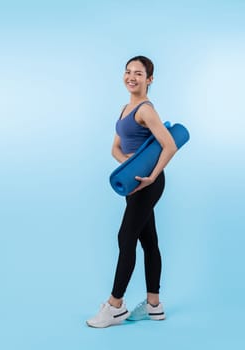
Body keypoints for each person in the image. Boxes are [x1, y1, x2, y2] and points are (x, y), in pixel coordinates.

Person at [86, 56, 178, 328]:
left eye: (138, 73)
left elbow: (169, 145)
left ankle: (115, 305)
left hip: (148, 185)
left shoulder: (146, 110)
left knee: (126, 237)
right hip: (133, 182)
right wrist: (129, 170)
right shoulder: (126, 108)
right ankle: (154, 306)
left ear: (149, 80)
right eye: (128, 72)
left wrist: (150, 176)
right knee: (148, 241)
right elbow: (115, 148)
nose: (131, 77)